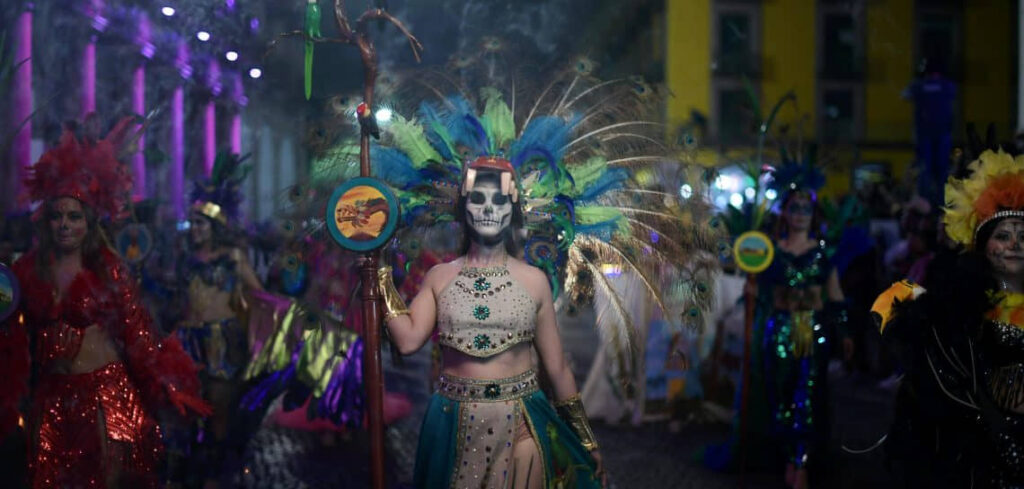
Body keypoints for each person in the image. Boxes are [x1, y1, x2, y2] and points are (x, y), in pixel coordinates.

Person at [0, 118, 210, 488]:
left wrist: (166, 383)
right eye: (57, 216)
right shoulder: (26, 271)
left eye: (74, 217)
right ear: (45, 222)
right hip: (51, 397)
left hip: (106, 395)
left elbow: (138, 331)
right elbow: (10, 342)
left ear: (89, 222)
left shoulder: (107, 268)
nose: (65, 225)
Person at [379, 158, 604, 488]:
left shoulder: (534, 280)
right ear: (463, 207)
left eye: (499, 200)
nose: (488, 209)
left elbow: (557, 369)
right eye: (478, 199)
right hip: (451, 423)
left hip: (523, 424)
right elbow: (408, 341)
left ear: (512, 209)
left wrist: (586, 439)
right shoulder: (439, 277)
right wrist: (379, 274)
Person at [872, 149, 1024, 488]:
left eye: (1022, 235)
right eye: (1003, 235)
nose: (1014, 244)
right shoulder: (956, 296)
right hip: (973, 455)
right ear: (983, 244)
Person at [175, 152, 263, 488]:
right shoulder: (185, 260)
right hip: (188, 342)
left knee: (220, 410)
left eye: (201, 223)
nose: (195, 229)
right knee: (190, 409)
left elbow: (258, 295)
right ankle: (196, 469)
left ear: (215, 227)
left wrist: (262, 333)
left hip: (223, 343)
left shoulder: (232, 258)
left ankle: (218, 474)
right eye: (193, 223)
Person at [759, 188, 850, 489]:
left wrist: (845, 331)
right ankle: (787, 456)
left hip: (809, 328)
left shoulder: (824, 253)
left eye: (805, 209)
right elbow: (759, 290)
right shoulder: (771, 250)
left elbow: (835, 296)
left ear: (813, 216)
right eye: (794, 208)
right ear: (785, 212)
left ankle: (801, 463)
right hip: (781, 327)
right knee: (780, 394)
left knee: (806, 396)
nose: (799, 214)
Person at [903, 57, 957, 207]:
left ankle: (925, 202)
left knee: (924, 169)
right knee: (942, 170)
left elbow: (905, 95)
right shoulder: (947, 85)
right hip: (943, 134)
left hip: (925, 135)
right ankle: (942, 203)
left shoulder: (919, 86)